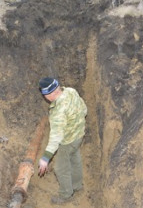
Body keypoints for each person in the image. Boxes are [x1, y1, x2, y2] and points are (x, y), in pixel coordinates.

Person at [37, 77, 88, 205]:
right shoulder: (71, 91)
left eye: (45, 95)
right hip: (79, 134)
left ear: (49, 94)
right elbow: (84, 108)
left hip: (68, 141)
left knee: (60, 168)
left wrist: (45, 158)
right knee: (75, 158)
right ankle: (77, 186)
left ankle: (66, 195)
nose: (45, 98)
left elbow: (56, 137)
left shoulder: (58, 111)